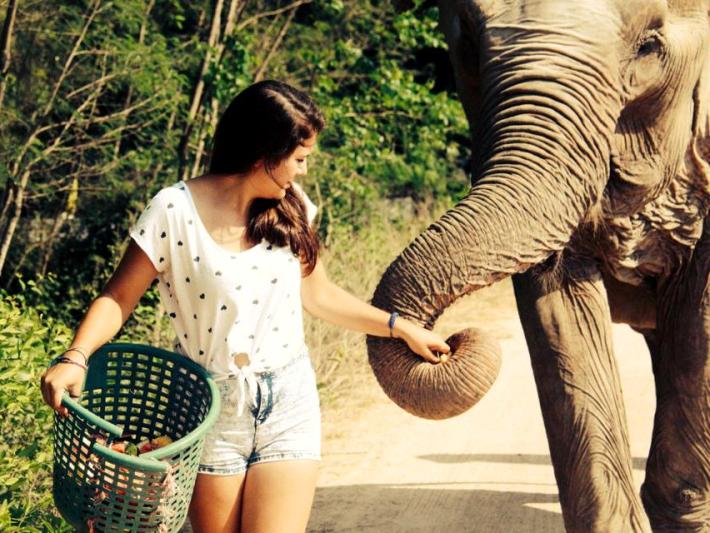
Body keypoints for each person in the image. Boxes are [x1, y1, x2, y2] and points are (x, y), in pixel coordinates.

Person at [40, 80, 450, 533]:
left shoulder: (293, 209)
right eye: (299, 158)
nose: (304, 171)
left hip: (288, 400)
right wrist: (75, 356)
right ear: (264, 154)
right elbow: (117, 298)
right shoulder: (173, 210)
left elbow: (320, 296)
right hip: (211, 406)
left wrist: (400, 326)